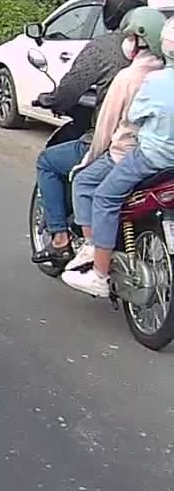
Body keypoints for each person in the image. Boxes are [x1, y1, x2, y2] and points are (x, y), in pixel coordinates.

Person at [30, 0, 147, 266]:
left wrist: (51, 100)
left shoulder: (105, 48)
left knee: (48, 162)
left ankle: (61, 240)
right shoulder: (160, 54)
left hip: (118, 143)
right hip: (158, 142)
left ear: (110, 10)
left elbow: (70, 89)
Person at [62, 15, 174, 296]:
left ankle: (99, 273)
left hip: (150, 158)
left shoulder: (150, 81)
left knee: (104, 196)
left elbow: (133, 117)